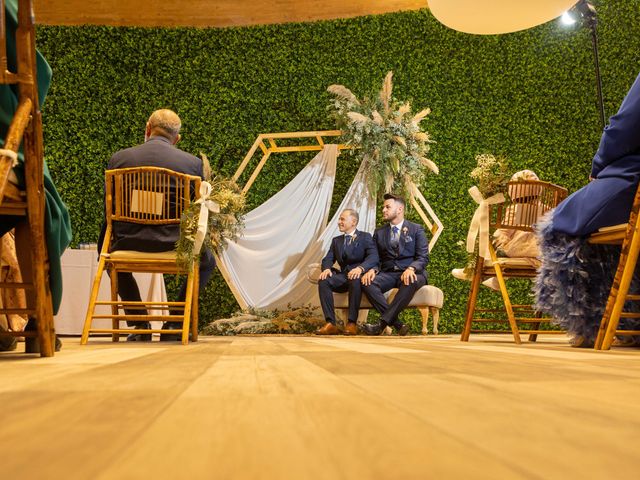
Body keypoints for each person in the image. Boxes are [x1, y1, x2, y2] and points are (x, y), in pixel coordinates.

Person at [535, 71, 640, 347]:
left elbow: (625, 126)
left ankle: (586, 323)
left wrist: (599, 165)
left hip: (633, 180)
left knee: (558, 226)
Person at [99, 109, 216, 341]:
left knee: (104, 255)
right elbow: (196, 213)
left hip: (128, 241)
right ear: (177, 138)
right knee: (207, 262)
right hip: (173, 244)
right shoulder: (192, 164)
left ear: (148, 128)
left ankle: (140, 323)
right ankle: (174, 323)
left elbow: (109, 210)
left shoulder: (120, 159)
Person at [361, 193, 429, 335]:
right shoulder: (379, 232)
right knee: (367, 282)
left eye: (387, 207)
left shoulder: (416, 229)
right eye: (383, 207)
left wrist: (411, 268)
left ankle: (381, 325)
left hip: (412, 272)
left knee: (410, 280)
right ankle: (397, 324)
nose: (383, 210)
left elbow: (423, 256)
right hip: (388, 273)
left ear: (399, 209)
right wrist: (372, 269)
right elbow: (375, 257)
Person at [316, 209, 378, 335]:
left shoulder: (365, 237)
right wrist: (327, 268)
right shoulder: (336, 241)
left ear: (353, 221)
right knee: (323, 280)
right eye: (339, 219)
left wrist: (360, 269)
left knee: (355, 279)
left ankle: (351, 323)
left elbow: (373, 257)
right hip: (343, 277)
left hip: (358, 276)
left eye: (342, 219)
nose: (339, 222)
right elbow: (328, 258)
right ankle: (330, 323)